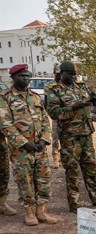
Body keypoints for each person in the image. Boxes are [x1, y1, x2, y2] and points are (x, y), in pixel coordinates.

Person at [46, 61, 96, 213]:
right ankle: (74, 204)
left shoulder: (81, 88)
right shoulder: (54, 91)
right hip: (69, 137)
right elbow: (54, 113)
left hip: (85, 134)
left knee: (90, 168)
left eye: (74, 74)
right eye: (69, 74)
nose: (72, 77)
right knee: (72, 171)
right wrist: (73, 107)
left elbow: (95, 100)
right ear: (61, 73)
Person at [0, 64, 57, 225]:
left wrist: (45, 139)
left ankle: (42, 211)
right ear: (13, 77)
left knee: (43, 179)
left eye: (27, 75)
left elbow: (45, 119)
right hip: (21, 150)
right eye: (22, 76)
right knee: (24, 181)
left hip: (39, 147)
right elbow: (5, 124)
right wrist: (24, 143)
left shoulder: (35, 96)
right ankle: (30, 212)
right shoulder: (5, 97)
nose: (26, 79)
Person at [43, 63, 61, 168]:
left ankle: (63, 158)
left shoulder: (66, 84)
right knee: (55, 137)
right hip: (55, 115)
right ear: (54, 73)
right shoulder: (49, 85)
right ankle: (55, 159)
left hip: (66, 115)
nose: (59, 75)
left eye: (61, 73)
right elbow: (46, 101)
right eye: (57, 73)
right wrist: (46, 113)